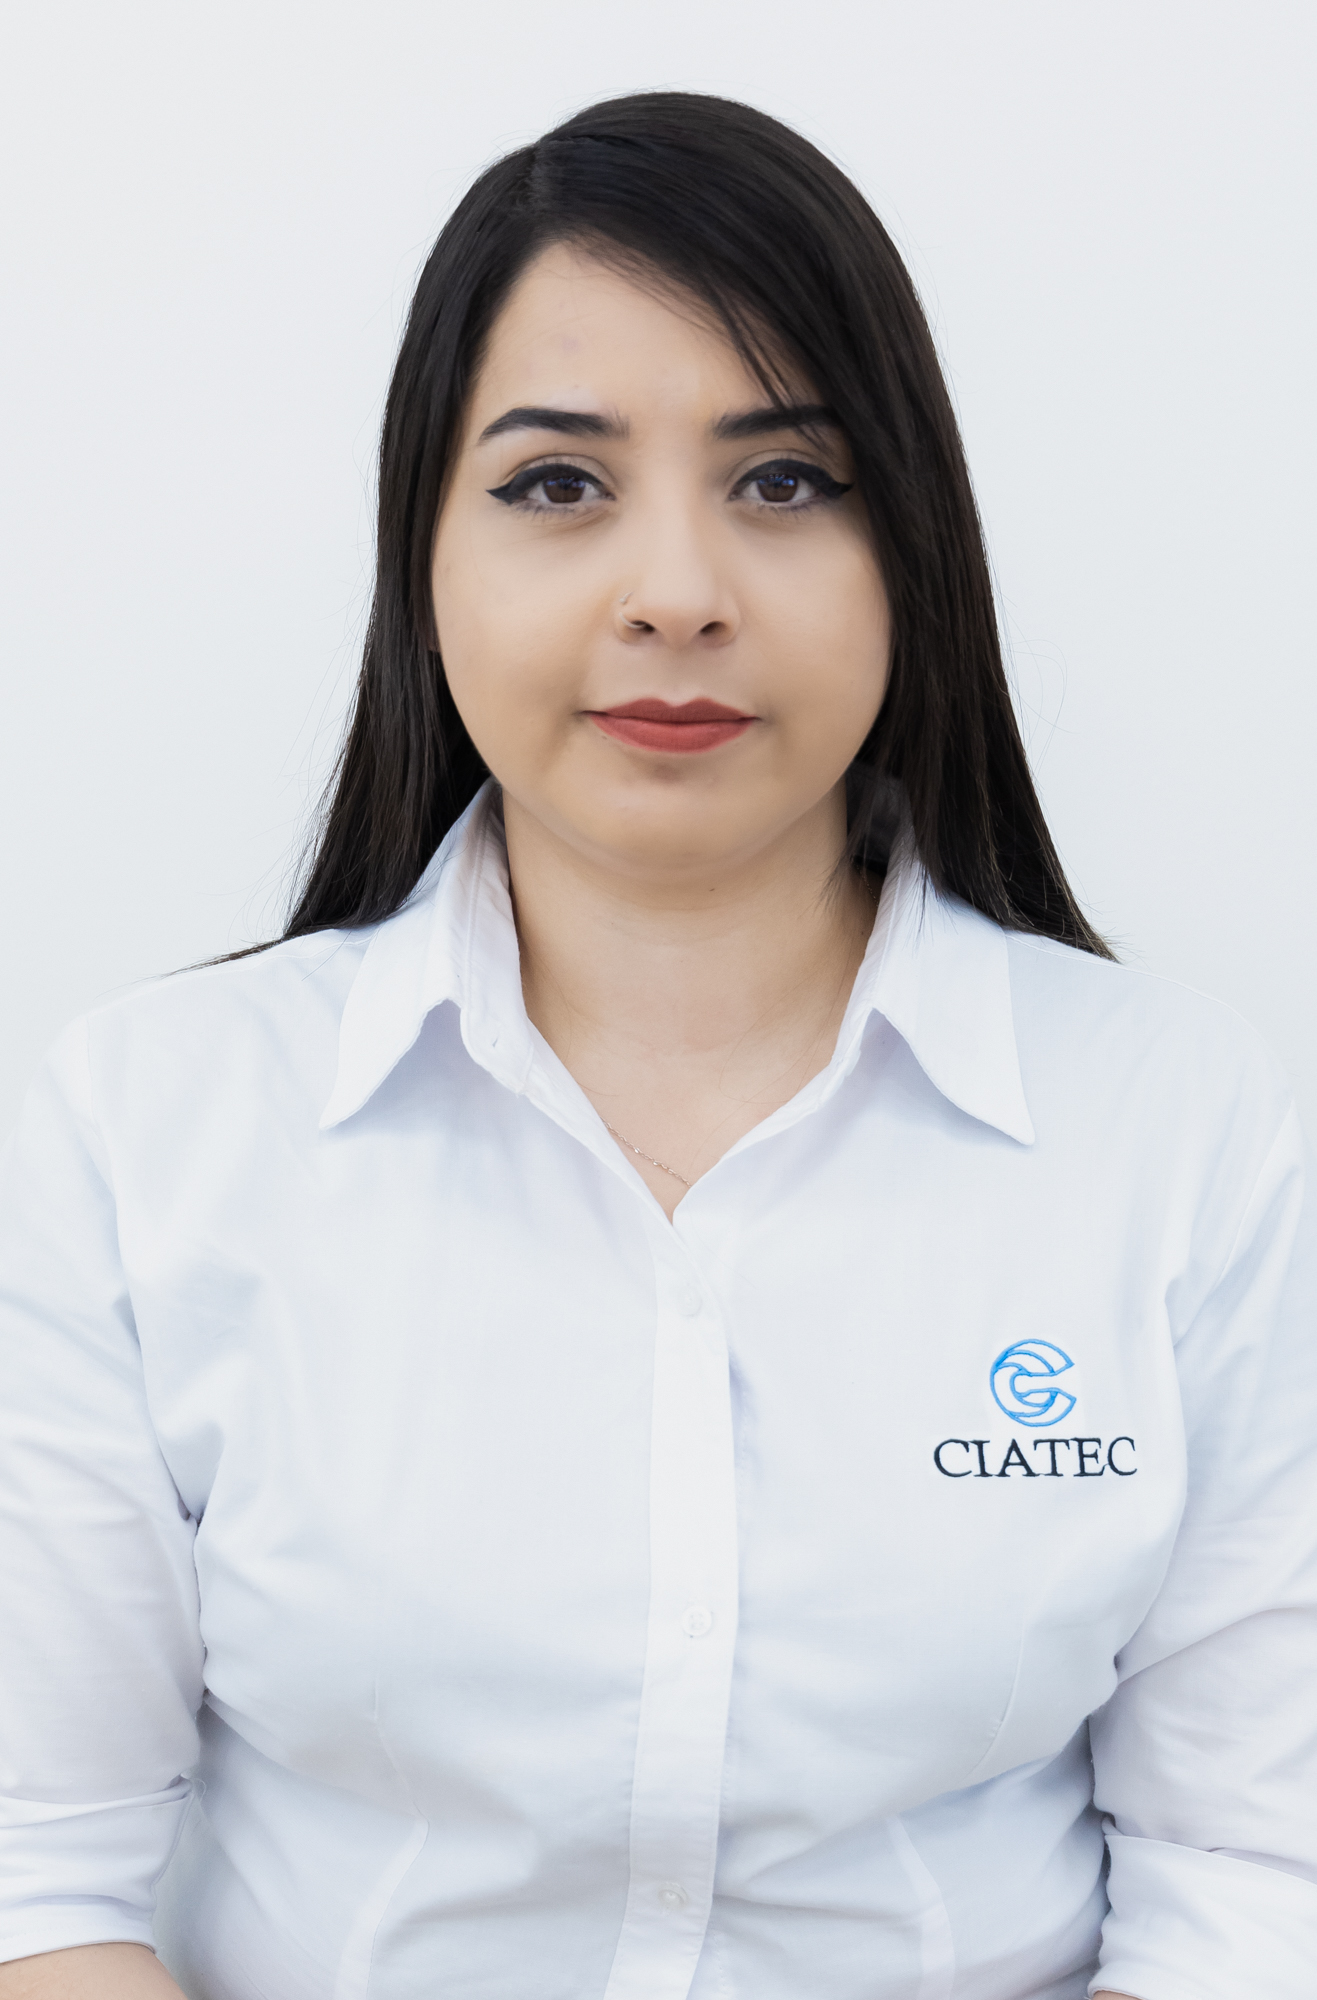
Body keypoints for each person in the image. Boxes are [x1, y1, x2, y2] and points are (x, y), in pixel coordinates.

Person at [0, 89, 1313, 2000]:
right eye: (557, 484)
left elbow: (1249, 1864)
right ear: (424, 557)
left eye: (783, 480)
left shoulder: (1177, 1126)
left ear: (910, 546)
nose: (677, 592)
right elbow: (39, 1870)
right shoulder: (148, 1126)